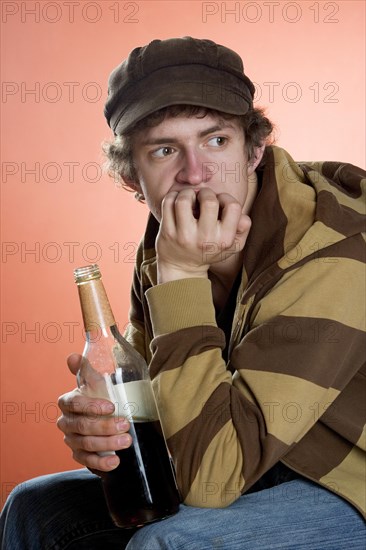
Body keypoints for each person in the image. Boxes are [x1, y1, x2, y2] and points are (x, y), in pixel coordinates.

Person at [1, 37, 365, 550]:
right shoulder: (171, 240)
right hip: (251, 457)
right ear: (132, 176)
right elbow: (158, 400)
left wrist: (181, 274)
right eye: (165, 150)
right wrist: (105, 427)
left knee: (173, 542)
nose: (195, 174)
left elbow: (209, 480)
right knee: (35, 507)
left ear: (255, 149)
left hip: (346, 481)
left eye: (216, 141)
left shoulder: (331, 248)